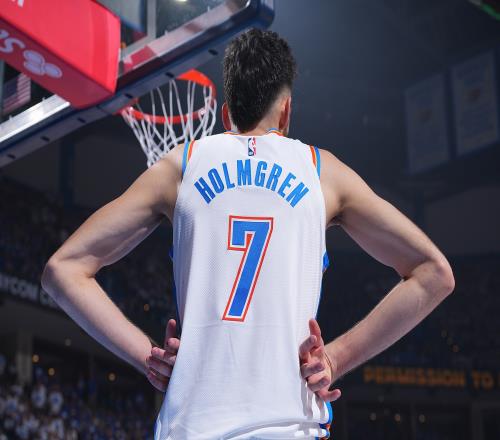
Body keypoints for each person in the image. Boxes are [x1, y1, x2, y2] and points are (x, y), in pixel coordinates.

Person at [41, 28, 455, 439]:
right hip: (287, 427)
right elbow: (434, 273)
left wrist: (146, 356)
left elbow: (62, 270)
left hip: (192, 426)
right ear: (286, 112)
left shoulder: (181, 165)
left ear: (225, 116)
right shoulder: (322, 172)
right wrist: (336, 357)